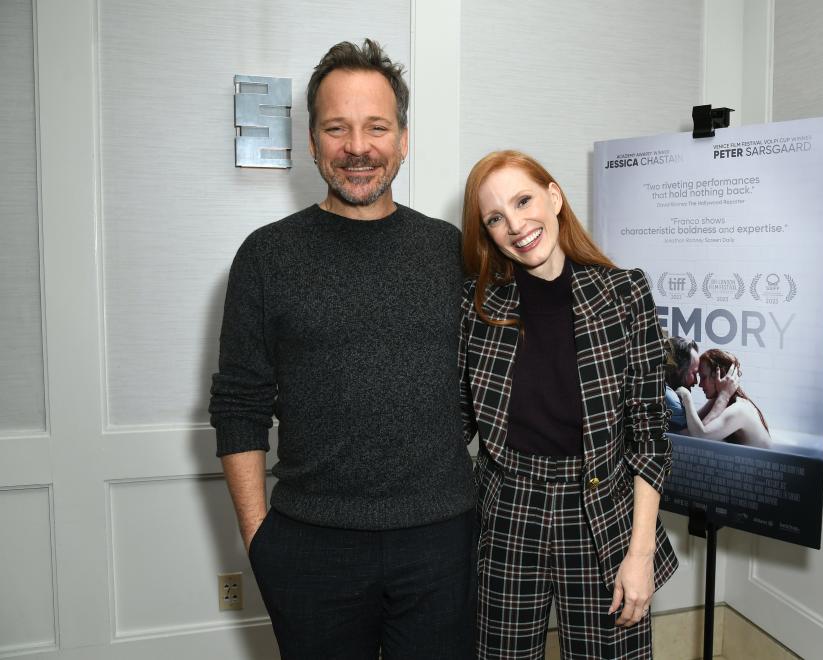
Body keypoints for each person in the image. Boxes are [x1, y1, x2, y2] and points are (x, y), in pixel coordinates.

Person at [209, 39, 475, 660]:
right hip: (309, 546)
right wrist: (259, 539)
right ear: (312, 142)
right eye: (337, 128)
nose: (358, 147)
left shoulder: (449, 251)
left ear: (403, 139)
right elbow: (238, 405)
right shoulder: (266, 256)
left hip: (443, 541)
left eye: (376, 127)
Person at [459, 150, 677, 658]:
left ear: (554, 196)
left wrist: (640, 554)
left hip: (601, 510)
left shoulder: (624, 294)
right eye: (495, 217)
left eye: (523, 200)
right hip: (509, 510)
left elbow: (649, 439)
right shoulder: (476, 307)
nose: (515, 225)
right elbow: (451, 426)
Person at [676, 348, 771, 448]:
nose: (700, 384)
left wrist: (686, 397)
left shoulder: (740, 410)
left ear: (720, 376)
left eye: (703, 377)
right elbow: (689, 432)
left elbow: (700, 437)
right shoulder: (719, 400)